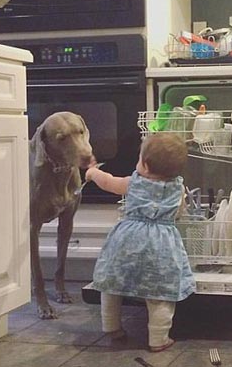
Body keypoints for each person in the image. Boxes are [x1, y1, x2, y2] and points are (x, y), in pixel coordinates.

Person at [85, 132, 196, 351]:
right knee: (159, 294)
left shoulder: (133, 183)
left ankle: (111, 326)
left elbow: (108, 182)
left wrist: (93, 172)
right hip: (161, 246)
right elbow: (179, 213)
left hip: (127, 242)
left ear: (144, 165)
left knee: (111, 285)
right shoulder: (179, 190)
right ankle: (158, 339)